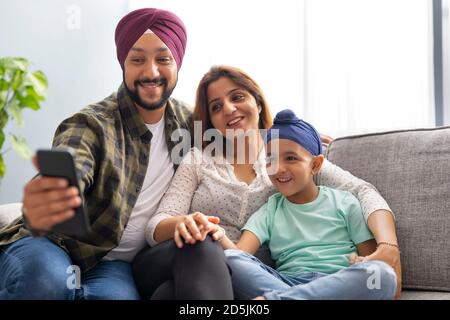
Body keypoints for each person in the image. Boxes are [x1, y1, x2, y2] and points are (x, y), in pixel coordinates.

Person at [132, 65, 402, 299]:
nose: (228, 109)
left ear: (258, 103)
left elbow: (361, 191)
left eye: (237, 97)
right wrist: (184, 222)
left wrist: (388, 247)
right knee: (212, 249)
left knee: (167, 295)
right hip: (202, 256)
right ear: (211, 120)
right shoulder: (197, 159)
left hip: (255, 283)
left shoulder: (287, 158)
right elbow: (155, 225)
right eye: (216, 106)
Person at [0, 8, 195, 300]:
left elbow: (243, 147)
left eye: (163, 59)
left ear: (177, 64)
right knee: (45, 283)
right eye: (137, 59)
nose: (151, 72)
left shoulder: (190, 124)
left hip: (112, 264)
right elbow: (73, 161)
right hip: (53, 243)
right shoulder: (91, 123)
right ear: (123, 64)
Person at [218, 109, 397, 300]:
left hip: (336, 284)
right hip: (286, 282)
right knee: (230, 260)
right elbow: (240, 254)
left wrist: (363, 264)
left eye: (291, 158)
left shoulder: (345, 202)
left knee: (381, 274)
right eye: (270, 159)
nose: (278, 168)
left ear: (315, 165)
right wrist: (217, 234)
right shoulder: (270, 210)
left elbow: (370, 257)